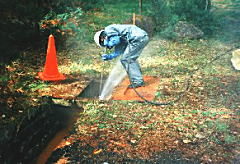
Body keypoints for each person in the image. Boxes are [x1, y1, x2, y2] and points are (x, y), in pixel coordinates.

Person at [94, 24, 149, 88]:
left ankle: (137, 81)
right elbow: (119, 51)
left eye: (103, 43)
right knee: (129, 58)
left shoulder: (108, 29)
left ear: (102, 38)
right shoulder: (117, 36)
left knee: (126, 59)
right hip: (140, 37)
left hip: (137, 38)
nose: (108, 46)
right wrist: (110, 56)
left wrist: (109, 43)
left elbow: (116, 40)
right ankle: (137, 76)